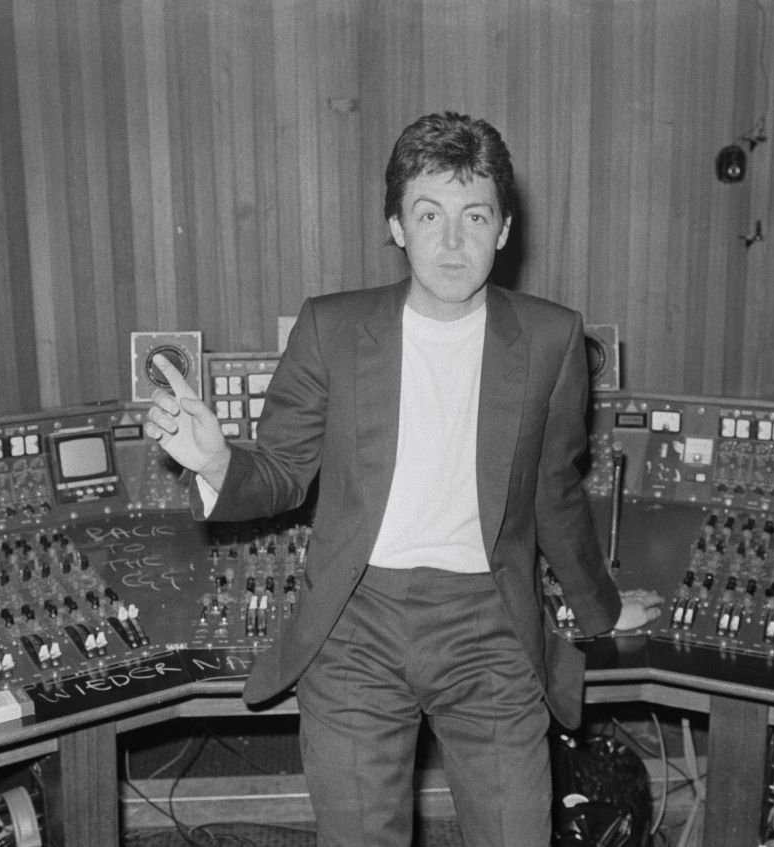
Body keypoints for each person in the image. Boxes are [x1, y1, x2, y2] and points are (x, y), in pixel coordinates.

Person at [144, 111, 662, 847]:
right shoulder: (332, 328)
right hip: (357, 624)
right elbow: (285, 472)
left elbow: (554, 492)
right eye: (429, 214)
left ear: (504, 228)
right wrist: (218, 461)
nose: (452, 241)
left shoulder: (552, 339)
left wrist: (602, 609)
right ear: (397, 225)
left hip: (490, 628)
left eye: (474, 215)